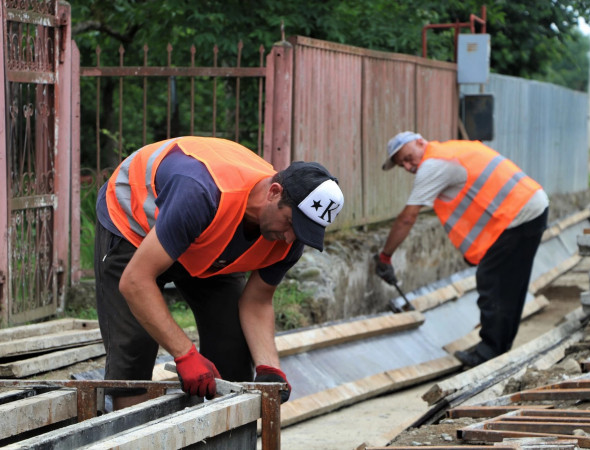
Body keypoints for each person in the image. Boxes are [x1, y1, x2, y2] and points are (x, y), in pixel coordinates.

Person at [94, 136, 344, 409]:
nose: (288, 238)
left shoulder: (289, 238)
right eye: (290, 223)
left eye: (302, 232)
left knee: (233, 346)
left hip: (206, 237)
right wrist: (185, 355)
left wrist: (270, 369)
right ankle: (133, 434)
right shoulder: (201, 193)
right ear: (274, 192)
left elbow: (257, 301)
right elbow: (135, 281)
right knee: (135, 348)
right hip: (136, 227)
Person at [373, 131, 548, 368]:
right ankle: (499, 348)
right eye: (401, 164)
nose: (407, 166)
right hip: (529, 208)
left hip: (517, 217)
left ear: (420, 142)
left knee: (492, 281)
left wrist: (386, 256)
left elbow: (408, 218)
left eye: (406, 157)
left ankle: (489, 352)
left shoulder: (433, 165)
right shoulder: (451, 150)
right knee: (509, 285)